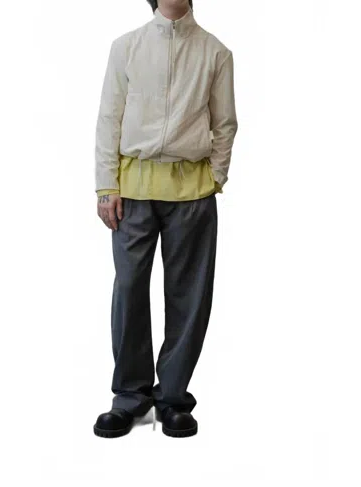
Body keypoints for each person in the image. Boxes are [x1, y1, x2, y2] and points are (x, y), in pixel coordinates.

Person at [93, 0, 238, 438]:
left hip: (192, 192)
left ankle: (173, 398)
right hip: (133, 191)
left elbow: (225, 123)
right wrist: (106, 184)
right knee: (129, 290)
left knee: (188, 296)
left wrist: (215, 175)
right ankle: (130, 397)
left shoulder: (215, 52)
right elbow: (109, 118)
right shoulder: (127, 47)